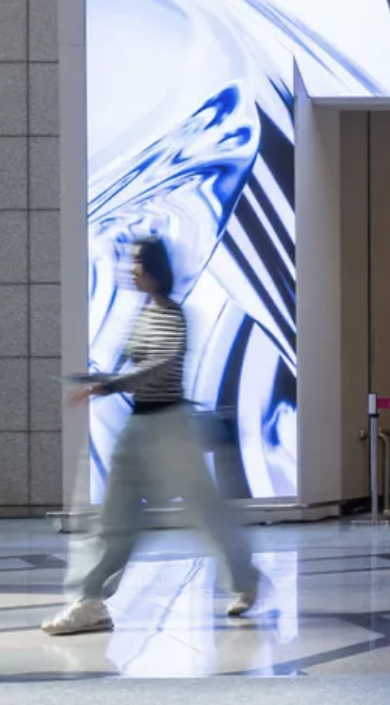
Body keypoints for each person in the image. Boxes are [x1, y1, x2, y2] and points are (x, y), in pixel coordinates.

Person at [43, 238, 259, 636]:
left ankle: (245, 579)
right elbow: (136, 369)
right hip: (139, 426)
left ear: (155, 269)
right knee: (116, 517)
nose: (131, 268)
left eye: (137, 262)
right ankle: (91, 601)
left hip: (171, 429)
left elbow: (162, 364)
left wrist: (108, 386)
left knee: (206, 512)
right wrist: (98, 380)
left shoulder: (173, 315)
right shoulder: (143, 313)